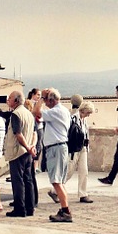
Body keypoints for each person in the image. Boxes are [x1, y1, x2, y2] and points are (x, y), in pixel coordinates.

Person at [39, 88, 74, 223]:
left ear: (51, 100)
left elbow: (36, 112)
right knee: (59, 181)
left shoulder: (55, 112)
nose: (45, 102)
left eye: (46, 99)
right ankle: (64, 209)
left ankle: (66, 211)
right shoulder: (63, 110)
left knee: (56, 181)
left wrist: (40, 99)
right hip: (60, 147)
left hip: (56, 148)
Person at [3, 90, 37, 217]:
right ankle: (30, 207)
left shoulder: (16, 114)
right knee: (28, 180)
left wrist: (28, 147)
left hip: (18, 151)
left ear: (16, 100)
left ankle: (19, 208)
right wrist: (32, 146)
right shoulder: (29, 114)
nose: (8, 100)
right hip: (27, 153)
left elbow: (18, 134)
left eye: (10, 98)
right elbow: (34, 133)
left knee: (18, 181)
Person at [68, 99, 93, 204]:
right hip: (74, 148)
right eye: (88, 113)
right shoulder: (73, 119)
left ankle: (83, 194)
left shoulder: (84, 120)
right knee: (69, 171)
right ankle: (55, 190)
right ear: (83, 111)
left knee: (84, 171)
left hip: (83, 148)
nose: (88, 115)